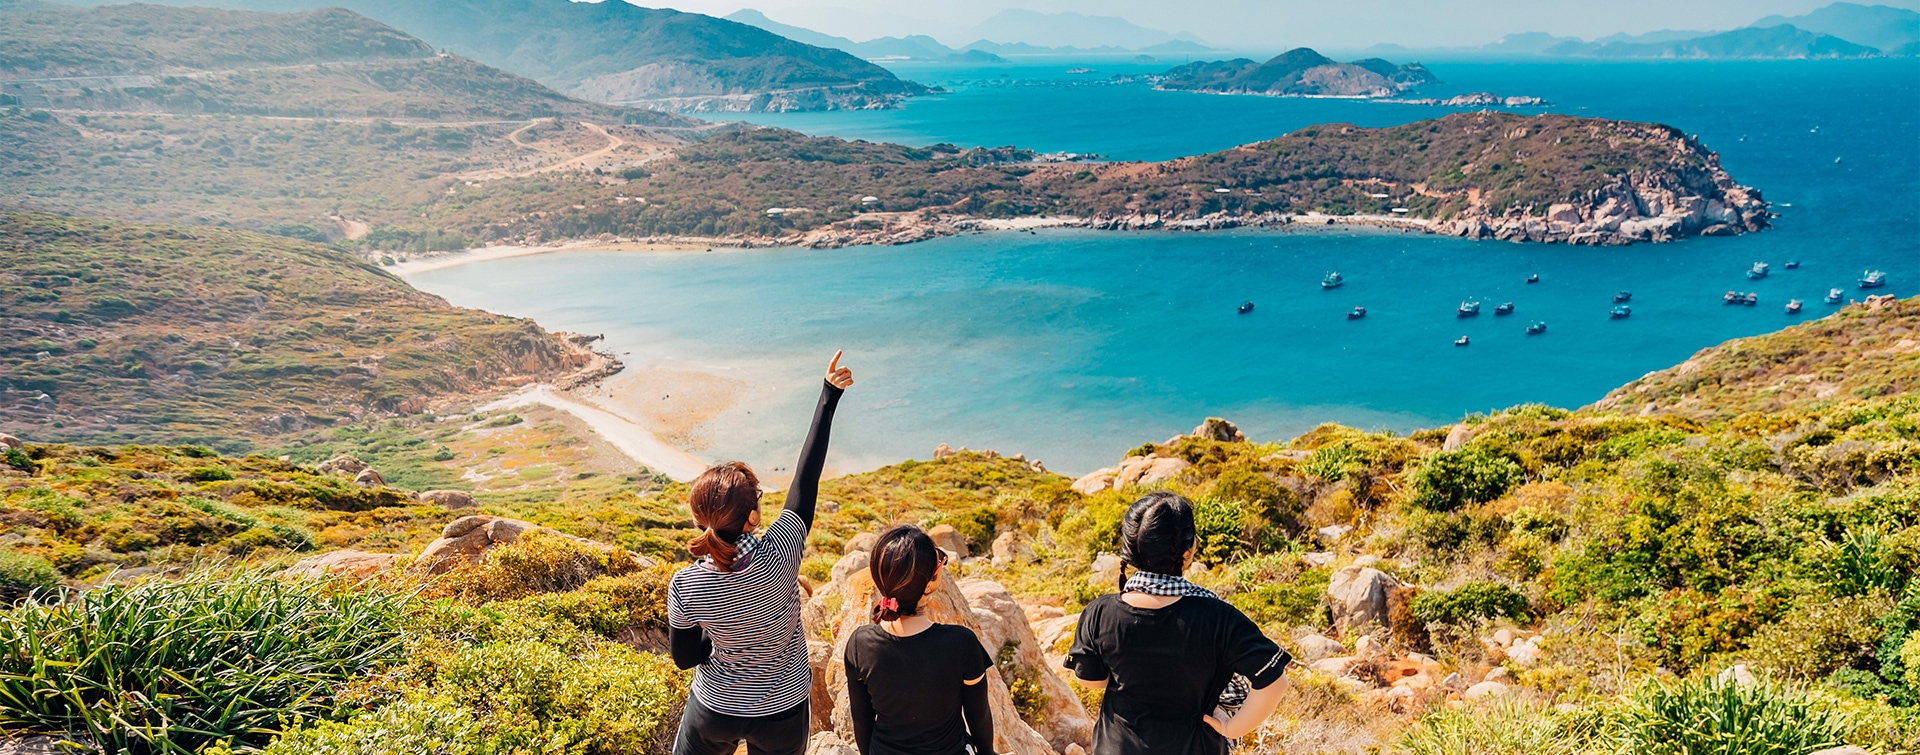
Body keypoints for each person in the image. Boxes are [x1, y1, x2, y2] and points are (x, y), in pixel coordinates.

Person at [667, 351, 855, 755]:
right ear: (753, 516)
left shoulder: (685, 585)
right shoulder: (782, 552)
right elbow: (806, 478)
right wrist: (829, 395)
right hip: (783, 709)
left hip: (715, 708)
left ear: (700, 519)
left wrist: (720, 643)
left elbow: (685, 658)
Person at [1066, 491, 1293, 755]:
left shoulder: (1098, 612)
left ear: (1129, 549)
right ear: (1188, 551)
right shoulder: (1220, 617)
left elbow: (1091, 681)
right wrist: (1233, 728)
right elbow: (1274, 683)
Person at [843, 525, 997, 755]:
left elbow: (862, 721)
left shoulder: (859, 644)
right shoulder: (961, 643)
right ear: (930, 582)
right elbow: (979, 715)